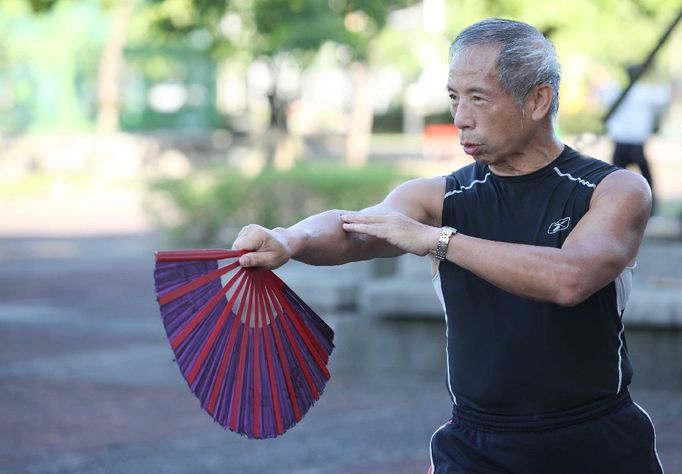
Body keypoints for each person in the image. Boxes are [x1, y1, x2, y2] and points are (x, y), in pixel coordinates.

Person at [233, 18, 662, 474]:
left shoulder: (613, 189)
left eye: (478, 97)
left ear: (538, 100)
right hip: (475, 448)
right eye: (454, 98)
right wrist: (288, 239)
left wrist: (438, 241)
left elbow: (570, 277)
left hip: (595, 441)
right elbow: (354, 229)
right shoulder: (440, 196)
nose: (460, 118)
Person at [603, 65, 670, 213]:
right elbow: (665, 97)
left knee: (618, 178)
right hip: (632, 143)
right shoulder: (643, 92)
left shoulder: (618, 92)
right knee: (643, 178)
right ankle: (649, 207)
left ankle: (620, 206)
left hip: (626, 143)